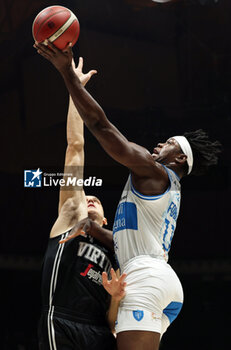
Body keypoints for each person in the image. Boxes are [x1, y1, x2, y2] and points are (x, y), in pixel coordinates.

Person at [34, 41, 222, 350]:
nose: (160, 144)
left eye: (169, 143)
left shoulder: (154, 172)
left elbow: (101, 126)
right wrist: (94, 229)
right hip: (160, 279)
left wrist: (66, 73)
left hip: (145, 279)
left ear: (179, 160)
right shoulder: (165, 188)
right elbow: (129, 244)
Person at [37, 57, 124, 350]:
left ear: (105, 220)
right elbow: (75, 147)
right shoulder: (72, 215)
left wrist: (116, 296)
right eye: (87, 196)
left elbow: (113, 323)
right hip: (62, 320)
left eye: (95, 200)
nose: (88, 198)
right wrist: (75, 89)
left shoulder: (115, 252)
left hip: (99, 331)